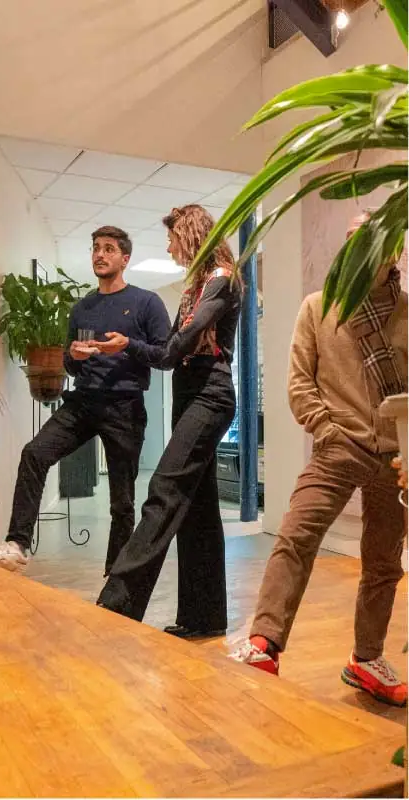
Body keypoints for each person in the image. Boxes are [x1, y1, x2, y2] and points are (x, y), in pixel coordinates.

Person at [232, 212, 408, 707]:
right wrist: (328, 431)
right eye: (352, 238)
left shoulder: (406, 312)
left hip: (396, 456)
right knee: (296, 537)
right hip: (338, 447)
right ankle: (265, 643)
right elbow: (299, 384)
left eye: (373, 237)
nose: (360, 246)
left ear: (394, 249)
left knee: (384, 563)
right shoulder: (319, 306)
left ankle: (366, 659)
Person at [0, 225, 171, 576]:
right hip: (82, 402)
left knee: (122, 502)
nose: (100, 254)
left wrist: (127, 345)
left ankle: (117, 580)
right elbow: (69, 362)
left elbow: (165, 356)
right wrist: (74, 358)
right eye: (96, 247)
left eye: (109, 248)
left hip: (124, 407)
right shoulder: (82, 308)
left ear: (124, 259)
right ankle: (17, 545)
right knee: (34, 454)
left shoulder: (146, 302)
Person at [95, 205, 242, 638]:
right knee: (197, 510)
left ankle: (116, 605)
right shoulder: (197, 286)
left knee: (163, 489)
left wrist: (140, 345)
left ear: (190, 234)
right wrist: (127, 345)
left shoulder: (221, 279)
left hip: (210, 396)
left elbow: (178, 346)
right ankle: (204, 619)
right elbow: (165, 355)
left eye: (172, 238)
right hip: (189, 395)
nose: (168, 247)